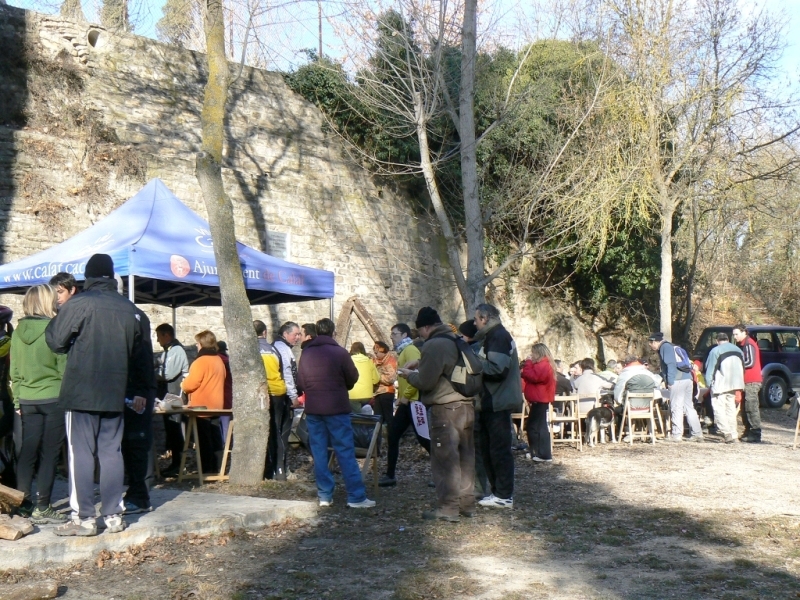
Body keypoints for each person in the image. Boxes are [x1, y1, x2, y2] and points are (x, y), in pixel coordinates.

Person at [46, 253, 149, 536]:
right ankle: (114, 514)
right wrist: (139, 390)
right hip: (115, 394)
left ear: (88, 277)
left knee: (81, 454)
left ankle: (85, 518)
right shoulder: (132, 310)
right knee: (111, 452)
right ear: (112, 277)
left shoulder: (80, 303)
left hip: (82, 391)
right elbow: (142, 358)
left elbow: (55, 341)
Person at [399, 307, 474, 522]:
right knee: (466, 457)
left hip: (446, 409)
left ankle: (448, 509)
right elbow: (446, 366)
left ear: (425, 327)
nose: (420, 335)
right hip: (466, 406)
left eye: (419, 330)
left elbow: (426, 381)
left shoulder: (434, 343)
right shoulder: (454, 339)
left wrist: (409, 374)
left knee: (445, 459)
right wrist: (421, 362)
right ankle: (466, 504)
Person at [297, 318, 375, 508]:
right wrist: (343, 387)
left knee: (319, 452)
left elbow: (300, 383)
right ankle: (356, 496)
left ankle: (325, 495)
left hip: (315, 408)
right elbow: (352, 377)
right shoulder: (340, 353)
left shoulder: (307, 354)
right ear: (333, 332)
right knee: (345, 451)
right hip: (337, 407)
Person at [11, 285, 67, 523]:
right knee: (49, 453)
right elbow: (63, 367)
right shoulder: (54, 329)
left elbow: (13, 370)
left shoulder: (17, 331)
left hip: (27, 398)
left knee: (27, 452)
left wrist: (17, 400)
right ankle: (43, 505)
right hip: (53, 397)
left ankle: (23, 504)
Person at [473, 303, 521, 510]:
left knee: (499, 450)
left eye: (476, 320)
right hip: (491, 401)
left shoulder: (498, 336)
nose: (474, 324)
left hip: (497, 401)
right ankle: (497, 492)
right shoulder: (493, 336)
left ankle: (503, 495)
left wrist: (472, 362)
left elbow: (497, 369)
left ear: (484, 318)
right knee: (489, 449)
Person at [379, 323, 430, 488]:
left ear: (404, 335)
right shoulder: (403, 351)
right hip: (406, 402)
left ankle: (444, 473)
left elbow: (417, 376)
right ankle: (390, 475)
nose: (392, 337)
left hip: (413, 402)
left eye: (395, 334)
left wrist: (405, 397)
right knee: (393, 435)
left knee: (424, 440)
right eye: (391, 333)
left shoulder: (411, 350)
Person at [181, 330, 226, 472]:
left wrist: (183, 384)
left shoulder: (200, 361)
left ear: (201, 344)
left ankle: (206, 471)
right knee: (216, 439)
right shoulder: (218, 359)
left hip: (201, 407)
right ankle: (217, 468)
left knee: (204, 441)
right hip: (217, 405)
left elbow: (190, 384)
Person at [254, 320, 292, 480]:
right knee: (276, 431)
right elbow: (283, 372)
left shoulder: (250, 350)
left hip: (261, 394)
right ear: (265, 333)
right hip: (278, 393)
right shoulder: (273, 349)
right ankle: (280, 470)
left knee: (262, 432)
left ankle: (266, 471)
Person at [648, 332, 703, 442]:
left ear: (654, 342)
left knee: (676, 407)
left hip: (678, 380)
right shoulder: (671, 346)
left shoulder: (665, 347)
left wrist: (670, 381)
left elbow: (670, 364)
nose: (650, 346)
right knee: (688, 407)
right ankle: (697, 433)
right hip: (688, 378)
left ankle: (676, 434)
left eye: (650, 344)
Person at [155, 323, 189, 477]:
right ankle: (175, 463)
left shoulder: (176, 350)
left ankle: (178, 464)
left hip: (175, 397)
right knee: (171, 429)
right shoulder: (169, 351)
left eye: (159, 336)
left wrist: (152, 372)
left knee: (175, 430)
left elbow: (168, 374)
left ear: (166, 335)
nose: (157, 341)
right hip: (169, 397)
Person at [704, 332, 745, 444]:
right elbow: (743, 367)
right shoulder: (738, 350)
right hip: (735, 384)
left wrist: (708, 383)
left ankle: (726, 434)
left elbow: (710, 368)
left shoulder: (716, 351)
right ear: (728, 339)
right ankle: (734, 434)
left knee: (719, 409)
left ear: (717, 341)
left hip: (720, 384)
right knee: (731, 409)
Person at [521, 343, 556, 463]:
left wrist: (528, 363)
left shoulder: (543, 364)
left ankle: (542, 454)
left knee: (536, 427)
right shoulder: (545, 364)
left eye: (533, 353)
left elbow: (534, 377)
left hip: (540, 399)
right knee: (537, 426)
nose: (531, 355)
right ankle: (537, 452)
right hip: (539, 398)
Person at [732, 325, 763, 443]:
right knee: (744, 408)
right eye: (733, 334)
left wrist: (735, 364)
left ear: (744, 332)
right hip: (744, 381)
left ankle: (755, 432)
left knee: (751, 407)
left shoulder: (749, 344)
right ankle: (748, 431)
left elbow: (750, 362)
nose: (735, 337)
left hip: (752, 381)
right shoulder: (741, 345)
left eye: (737, 334)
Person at [274, 322, 302, 408]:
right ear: (285, 334)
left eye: (299, 334)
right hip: (283, 395)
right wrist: (293, 396)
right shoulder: (282, 348)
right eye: (295, 334)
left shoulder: (281, 346)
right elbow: (287, 373)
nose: (298, 337)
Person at [348, 342, 379, 413]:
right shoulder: (369, 361)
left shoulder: (349, 360)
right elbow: (376, 379)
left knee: (356, 416)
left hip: (352, 394)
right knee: (365, 414)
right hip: (367, 395)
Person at [372, 341, 397, 427]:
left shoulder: (391, 361)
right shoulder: (374, 361)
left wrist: (376, 377)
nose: (375, 354)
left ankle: (390, 437)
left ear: (383, 351)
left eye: (377, 352)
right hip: (376, 393)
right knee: (377, 419)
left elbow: (391, 379)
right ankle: (378, 439)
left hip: (387, 392)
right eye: (375, 352)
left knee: (388, 418)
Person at [216, 341, 233, 445]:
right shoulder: (229, 361)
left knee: (221, 425)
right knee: (226, 424)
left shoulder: (217, 361)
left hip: (219, 395)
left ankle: (223, 448)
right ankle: (227, 446)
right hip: (229, 395)